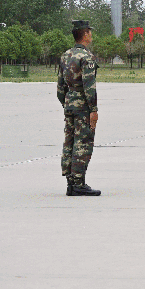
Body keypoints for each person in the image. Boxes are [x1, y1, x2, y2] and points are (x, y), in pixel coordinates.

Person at [57, 20, 101, 196]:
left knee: (69, 141)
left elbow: (60, 88)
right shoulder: (86, 57)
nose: (91, 34)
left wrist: (68, 103)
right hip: (83, 106)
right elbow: (89, 87)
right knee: (83, 143)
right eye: (89, 32)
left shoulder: (65, 56)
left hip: (69, 104)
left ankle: (70, 181)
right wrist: (93, 110)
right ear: (85, 34)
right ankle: (78, 183)